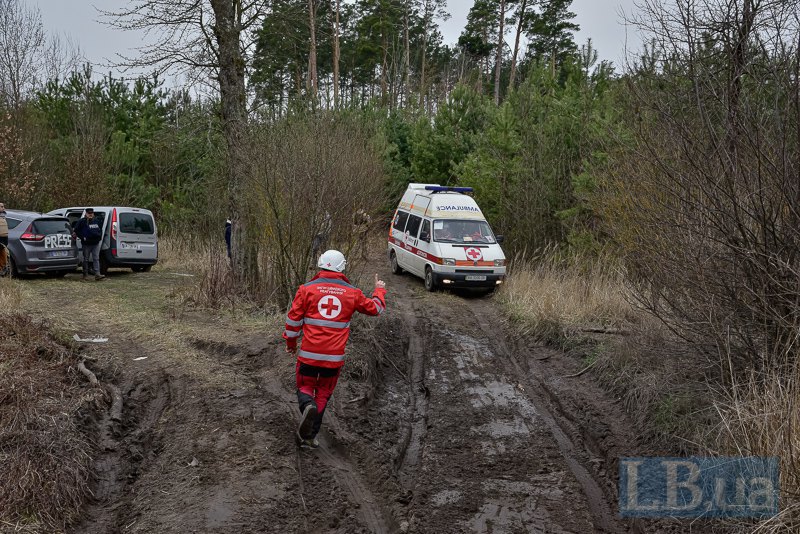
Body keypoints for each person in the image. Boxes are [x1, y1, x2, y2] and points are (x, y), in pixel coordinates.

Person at [283, 250, 387, 449]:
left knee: (305, 388)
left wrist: (291, 344)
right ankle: (310, 437)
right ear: (342, 267)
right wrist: (379, 290)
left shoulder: (306, 290)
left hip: (308, 357)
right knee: (323, 393)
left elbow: (293, 321)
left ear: (320, 263)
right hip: (333, 360)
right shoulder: (352, 293)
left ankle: (307, 406)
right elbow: (376, 309)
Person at [72, 208, 105, 281]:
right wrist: (83, 237)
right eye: (89, 213)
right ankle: (85, 274)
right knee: (86, 259)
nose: (90, 214)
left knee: (96, 259)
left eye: (92, 213)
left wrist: (99, 238)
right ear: (86, 213)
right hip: (86, 244)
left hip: (95, 243)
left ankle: (97, 274)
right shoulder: (81, 221)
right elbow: (76, 231)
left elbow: (100, 230)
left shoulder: (97, 221)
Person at [0, 203, 8, 276]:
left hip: (3, 239)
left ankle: (3, 268)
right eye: (2, 207)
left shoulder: (4, 216)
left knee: (3, 253)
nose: (4, 208)